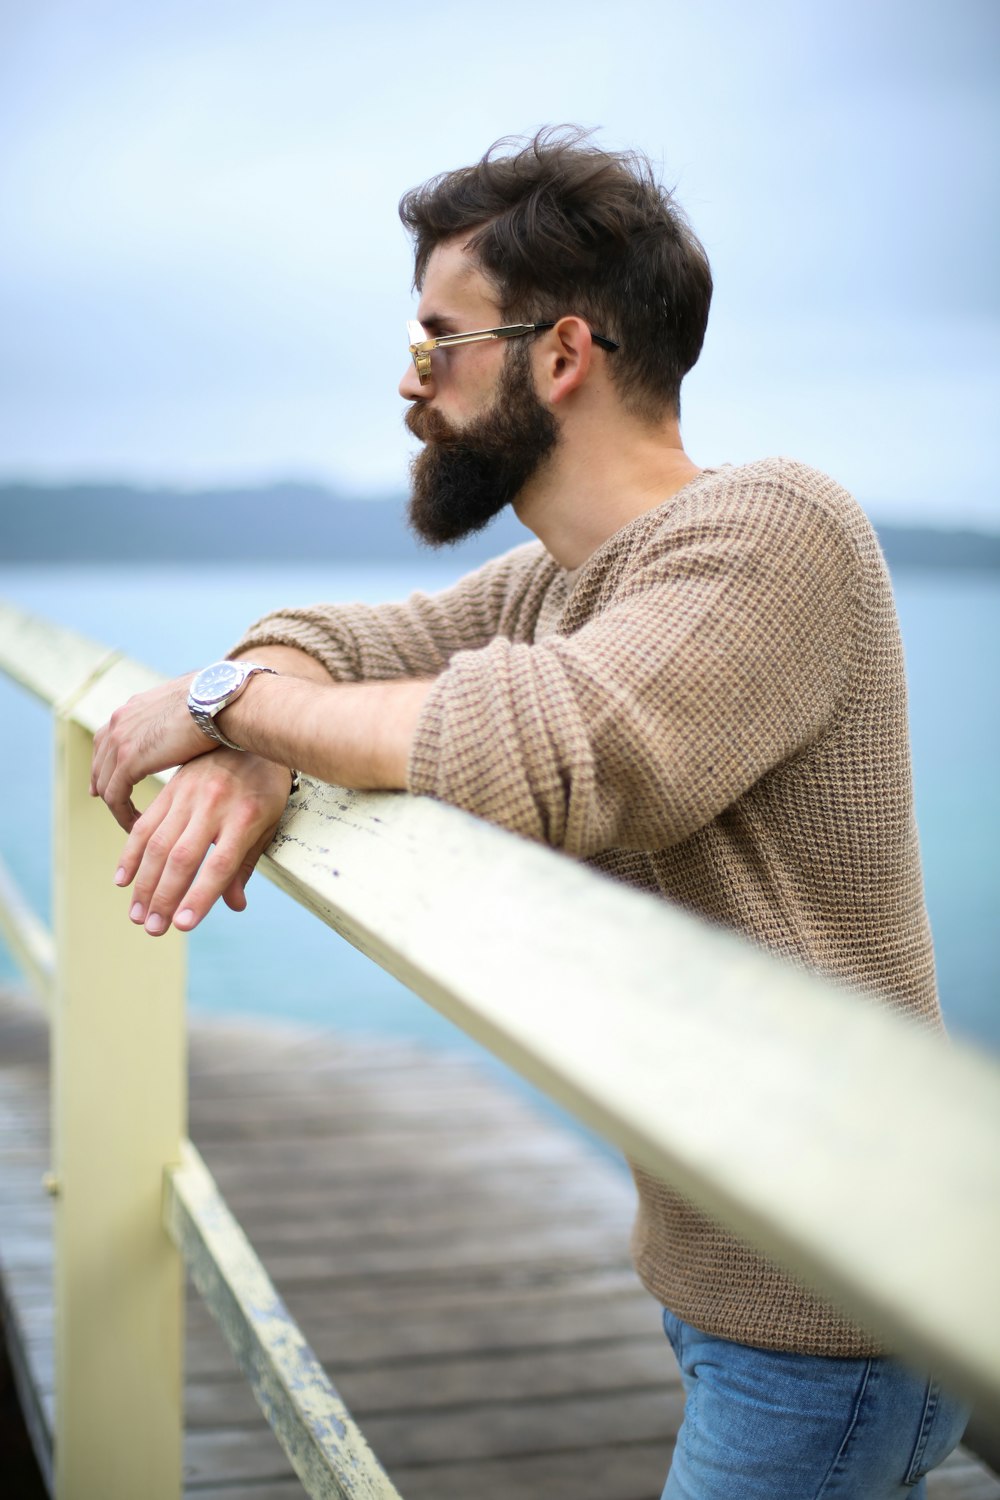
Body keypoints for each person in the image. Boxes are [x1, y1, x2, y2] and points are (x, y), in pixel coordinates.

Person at [90, 127, 970, 1496]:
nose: (408, 380)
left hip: (837, 1314)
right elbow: (332, 638)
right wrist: (256, 729)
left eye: (440, 340)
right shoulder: (562, 586)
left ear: (560, 356)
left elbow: (541, 752)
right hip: (723, 1283)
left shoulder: (777, 531)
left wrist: (229, 705)